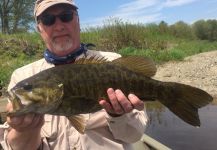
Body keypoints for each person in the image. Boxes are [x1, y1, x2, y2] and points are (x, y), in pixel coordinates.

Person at [0, 0, 148, 149]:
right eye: (48, 20)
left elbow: (134, 136)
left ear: (77, 20)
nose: (59, 26)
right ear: (39, 28)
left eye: (66, 16)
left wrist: (118, 115)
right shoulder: (22, 76)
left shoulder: (113, 63)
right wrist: (25, 131)